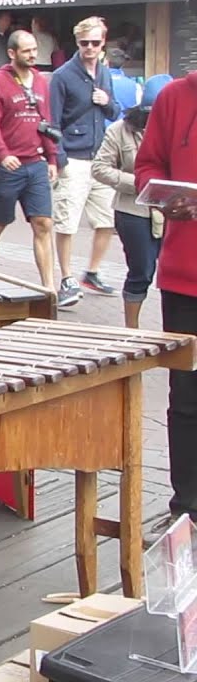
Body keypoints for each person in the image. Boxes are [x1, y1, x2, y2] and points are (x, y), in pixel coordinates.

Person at [134, 70, 197, 545]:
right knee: (187, 397)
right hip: (184, 278)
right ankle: (187, 508)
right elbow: (147, 165)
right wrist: (164, 197)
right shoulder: (175, 97)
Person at [0, 30, 59, 295]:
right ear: (12, 53)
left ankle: (48, 288)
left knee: (43, 223)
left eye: (34, 49)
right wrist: (2, 154)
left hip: (35, 163)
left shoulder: (40, 81)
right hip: (5, 167)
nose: (33, 54)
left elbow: (46, 122)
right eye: (26, 50)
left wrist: (52, 158)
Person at [49, 16, 121, 306]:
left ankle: (91, 271)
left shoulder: (105, 73)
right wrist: (60, 159)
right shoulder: (63, 76)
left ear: (103, 42)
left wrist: (106, 101)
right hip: (75, 158)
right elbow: (52, 122)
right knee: (67, 223)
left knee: (106, 220)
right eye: (84, 43)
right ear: (76, 42)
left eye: (95, 42)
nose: (89, 48)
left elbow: (115, 113)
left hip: (100, 158)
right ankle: (66, 278)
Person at [92, 74, 172, 329]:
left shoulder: (180, 128)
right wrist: (139, 182)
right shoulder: (120, 130)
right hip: (133, 210)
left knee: (174, 274)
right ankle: (132, 330)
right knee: (141, 271)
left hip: (173, 212)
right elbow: (100, 168)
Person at [106, 47, 142, 121]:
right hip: (125, 129)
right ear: (123, 64)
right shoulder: (135, 86)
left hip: (103, 130)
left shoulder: (97, 83)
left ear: (106, 62)